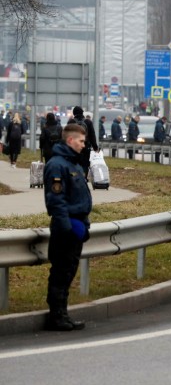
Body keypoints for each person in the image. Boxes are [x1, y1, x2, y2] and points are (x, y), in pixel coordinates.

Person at [43, 123, 92, 331]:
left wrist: (84, 225)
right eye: (81, 141)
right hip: (66, 229)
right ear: (70, 141)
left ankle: (63, 313)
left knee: (68, 273)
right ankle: (56, 315)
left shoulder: (74, 164)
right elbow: (57, 201)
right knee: (61, 273)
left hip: (76, 226)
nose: (83, 145)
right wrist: (67, 229)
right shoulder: (57, 165)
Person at [66, 107, 98, 177]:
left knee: (74, 162)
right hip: (85, 146)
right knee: (85, 164)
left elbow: (67, 135)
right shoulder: (88, 122)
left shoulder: (71, 122)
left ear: (74, 113)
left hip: (74, 147)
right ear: (82, 113)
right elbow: (92, 136)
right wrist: (95, 147)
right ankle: (84, 177)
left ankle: (75, 177)